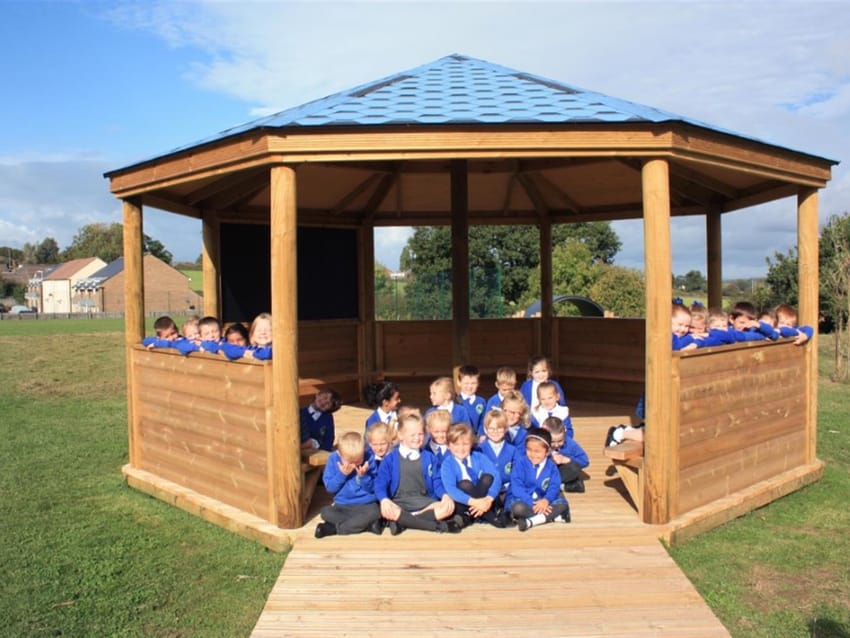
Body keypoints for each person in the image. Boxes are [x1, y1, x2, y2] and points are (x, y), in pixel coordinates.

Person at [374, 412, 462, 535]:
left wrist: (445, 495)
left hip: (424, 502)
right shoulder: (391, 459)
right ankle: (436, 526)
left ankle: (403, 521)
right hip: (399, 502)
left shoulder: (429, 457)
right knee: (387, 510)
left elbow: (437, 481)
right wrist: (384, 499)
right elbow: (380, 482)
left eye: (420, 434)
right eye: (412, 435)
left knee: (446, 508)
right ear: (400, 435)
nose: (417, 438)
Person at [314, 431, 382, 538]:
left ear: (363, 452)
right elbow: (330, 488)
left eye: (358, 461)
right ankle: (367, 526)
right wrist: (342, 474)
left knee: (375, 512)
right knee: (325, 513)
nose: (354, 465)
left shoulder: (369, 459)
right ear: (339, 454)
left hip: (366, 504)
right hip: (343, 505)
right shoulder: (333, 459)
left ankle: (333, 529)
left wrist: (364, 477)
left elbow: (374, 489)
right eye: (350, 461)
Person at [505, 427, 570, 531]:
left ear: (547, 451)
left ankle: (531, 522)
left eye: (537, 451)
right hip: (524, 499)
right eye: (529, 449)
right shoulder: (520, 463)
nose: (532, 454)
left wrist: (546, 500)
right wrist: (531, 502)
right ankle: (552, 517)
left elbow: (554, 486)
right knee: (517, 508)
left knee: (562, 505)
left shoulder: (551, 466)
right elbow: (517, 487)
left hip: (543, 498)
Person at [440, 423, 502, 527]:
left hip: (485, 499)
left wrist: (489, 499)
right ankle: (489, 516)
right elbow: (451, 489)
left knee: (487, 478)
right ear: (448, 446)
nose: (461, 448)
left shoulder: (479, 457)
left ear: (471, 444)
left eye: (465, 444)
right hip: (464, 502)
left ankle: (472, 516)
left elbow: (496, 476)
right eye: (456, 444)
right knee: (465, 484)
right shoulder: (447, 464)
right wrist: (474, 502)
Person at [478, 408, 516, 511]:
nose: (495, 432)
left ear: (506, 429)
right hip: (488, 491)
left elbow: (516, 472)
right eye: (491, 428)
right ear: (485, 429)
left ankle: (508, 511)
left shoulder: (512, 450)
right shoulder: (480, 449)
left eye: (499, 428)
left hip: (507, 490)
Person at [541, 416, 588, 493]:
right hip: (543, 470)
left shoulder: (569, 443)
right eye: (552, 441)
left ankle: (549, 485)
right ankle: (566, 486)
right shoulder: (539, 442)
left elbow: (585, 461)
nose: (556, 445)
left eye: (560, 441)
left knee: (574, 467)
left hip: (560, 471)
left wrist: (565, 459)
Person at [456, 365, 486, 435]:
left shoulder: (481, 402)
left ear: (478, 383)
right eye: (466, 383)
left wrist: (480, 435)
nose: (469, 386)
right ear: (459, 382)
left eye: (473, 383)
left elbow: (483, 421)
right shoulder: (455, 401)